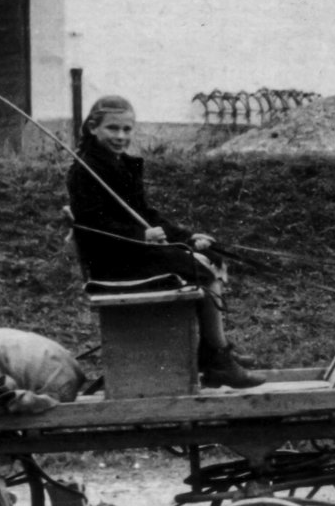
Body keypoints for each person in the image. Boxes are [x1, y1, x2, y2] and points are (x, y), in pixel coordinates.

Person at [67, 94, 260, 389]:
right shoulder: (84, 170)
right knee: (202, 272)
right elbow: (92, 227)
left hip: (133, 253)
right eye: (113, 128)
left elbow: (147, 214)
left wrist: (187, 238)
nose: (121, 136)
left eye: (127, 129)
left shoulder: (122, 165)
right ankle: (217, 360)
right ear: (93, 128)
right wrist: (140, 236)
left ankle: (212, 351)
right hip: (113, 262)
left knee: (212, 260)